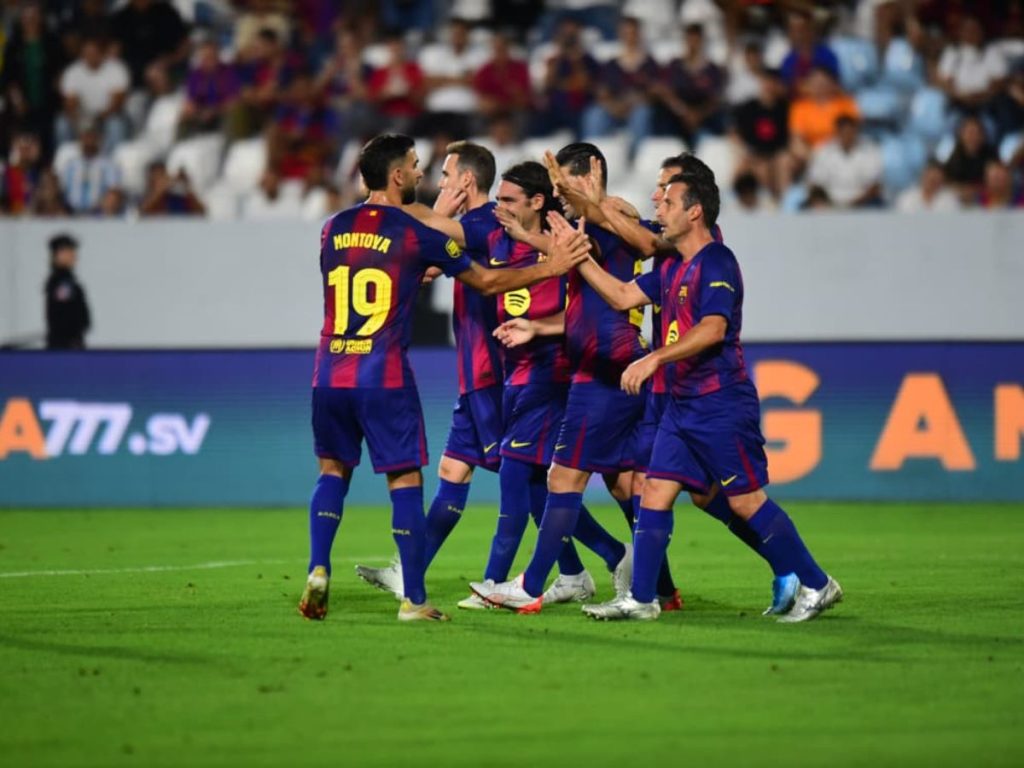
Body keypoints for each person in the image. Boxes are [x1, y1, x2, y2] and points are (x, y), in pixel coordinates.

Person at [298, 133, 590, 622]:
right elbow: (488, 280)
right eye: (414, 166)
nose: (421, 174)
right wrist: (553, 267)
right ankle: (413, 598)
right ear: (396, 175)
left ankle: (318, 566)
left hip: (329, 370)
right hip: (383, 372)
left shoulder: (332, 227)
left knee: (332, 473)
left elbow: (381, 260)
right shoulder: (416, 235)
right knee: (406, 480)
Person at [561, 169, 841, 622]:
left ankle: (817, 582)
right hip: (680, 404)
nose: (658, 208)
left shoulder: (717, 262)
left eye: (667, 202)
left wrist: (655, 359)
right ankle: (643, 598)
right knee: (653, 490)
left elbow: (714, 329)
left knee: (746, 501)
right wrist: (579, 259)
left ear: (694, 211)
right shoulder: (670, 266)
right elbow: (620, 296)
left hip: (719, 402)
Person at [45, 233, 91, 349]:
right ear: (59, 255)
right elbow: (64, 316)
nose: (74, 255)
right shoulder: (62, 282)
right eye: (69, 251)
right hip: (65, 345)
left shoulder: (66, 281)